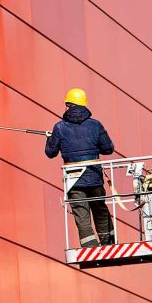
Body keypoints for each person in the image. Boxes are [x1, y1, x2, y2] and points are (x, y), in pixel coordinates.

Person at [44, 88, 115, 247]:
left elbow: (50, 152)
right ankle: (108, 243)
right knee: (99, 208)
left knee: (81, 212)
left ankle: (90, 246)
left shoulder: (59, 127)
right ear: (84, 104)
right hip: (94, 177)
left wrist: (50, 139)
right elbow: (108, 149)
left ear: (67, 104)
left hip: (73, 178)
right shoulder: (96, 125)